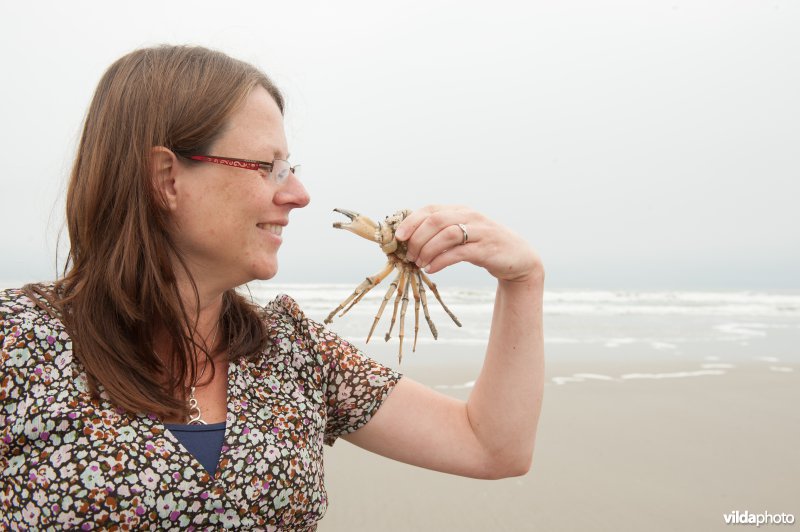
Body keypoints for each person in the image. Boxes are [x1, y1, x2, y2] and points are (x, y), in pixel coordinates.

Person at [0, 45, 544, 530]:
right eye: (270, 167)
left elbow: (491, 445)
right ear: (166, 177)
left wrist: (522, 280)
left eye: (292, 168)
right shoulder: (18, 343)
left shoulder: (289, 350)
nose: (300, 195)